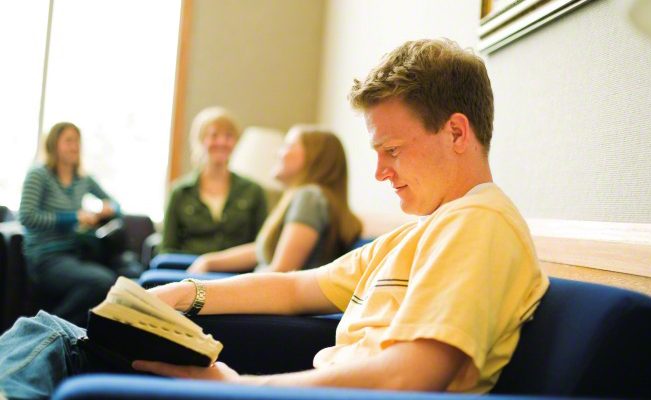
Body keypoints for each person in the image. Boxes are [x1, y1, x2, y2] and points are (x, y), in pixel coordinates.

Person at [0, 38, 549, 398]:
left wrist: (243, 387)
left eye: (393, 150)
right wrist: (183, 294)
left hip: (275, 393)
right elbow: (293, 288)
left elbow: (414, 374)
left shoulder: (481, 225)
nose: (380, 172)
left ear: (456, 132)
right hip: (279, 386)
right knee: (48, 334)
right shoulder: (421, 232)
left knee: (50, 347)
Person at [186, 124, 363, 275]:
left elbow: (281, 272)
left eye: (287, 145)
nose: (277, 153)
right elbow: (262, 250)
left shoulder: (309, 198)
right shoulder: (304, 196)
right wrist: (210, 261)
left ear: (312, 157)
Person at [17, 122, 132, 327]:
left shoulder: (82, 178)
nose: (75, 147)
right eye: (68, 141)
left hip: (74, 252)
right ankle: (45, 328)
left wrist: (108, 209)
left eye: (77, 141)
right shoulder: (39, 175)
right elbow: (27, 217)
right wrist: (74, 217)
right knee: (101, 281)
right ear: (54, 145)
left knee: (126, 274)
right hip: (46, 257)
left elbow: (117, 206)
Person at [159, 106, 268, 256]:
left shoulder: (253, 191)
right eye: (214, 135)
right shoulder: (180, 192)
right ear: (201, 140)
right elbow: (167, 249)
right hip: (187, 273)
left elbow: (262, 247)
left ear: (235, 142)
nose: (221, 142)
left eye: (228, 136)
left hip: (236, 276)